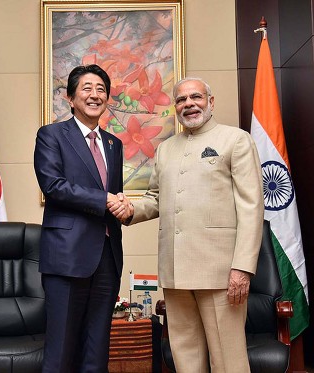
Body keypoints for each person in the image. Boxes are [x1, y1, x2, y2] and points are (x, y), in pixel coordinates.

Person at [110, 77, 264, 373]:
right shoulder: (166, 148)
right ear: (176, 108)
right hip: (175, 271)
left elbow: (251, 207)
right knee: (185, 360)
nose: (188, 104)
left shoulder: (235, 140)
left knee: (228, 361)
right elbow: (156, 198)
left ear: (211, 101)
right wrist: (129, 209)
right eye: (181, 100)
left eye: (196, 97)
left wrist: (242, 268)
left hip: (221, 274)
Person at [34, 64, 126, 372]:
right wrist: (105, 200)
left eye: (101, 89)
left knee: (96, 351)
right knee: (60, 351)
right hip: (67, 257)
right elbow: (53, 185)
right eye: (86, 88)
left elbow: (114, 195)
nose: (95, 94)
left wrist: (122, 206)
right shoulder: (51, 135)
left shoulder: (115, 144)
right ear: (71, 98)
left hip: (107, 258)